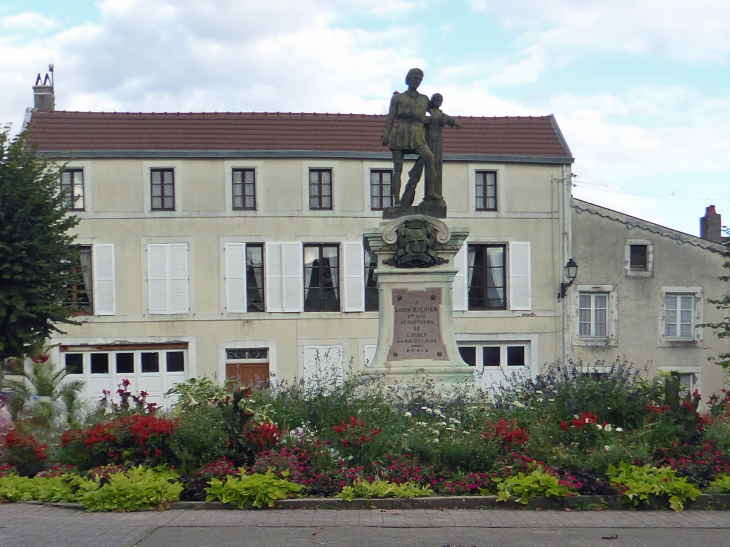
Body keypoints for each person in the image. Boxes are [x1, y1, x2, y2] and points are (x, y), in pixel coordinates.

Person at [381, 68, 437, 208]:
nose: (417, 81)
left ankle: (431, 193)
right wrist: (385, 134)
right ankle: (397, 201)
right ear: (408, 79)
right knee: (398, 168)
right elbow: (391, 117)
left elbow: (436, 113)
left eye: (419, 79)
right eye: (414, 78)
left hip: (417, 134)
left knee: (429, 158)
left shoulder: (424, 99)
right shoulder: (398, 98)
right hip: (401, 132)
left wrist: (452, 121)